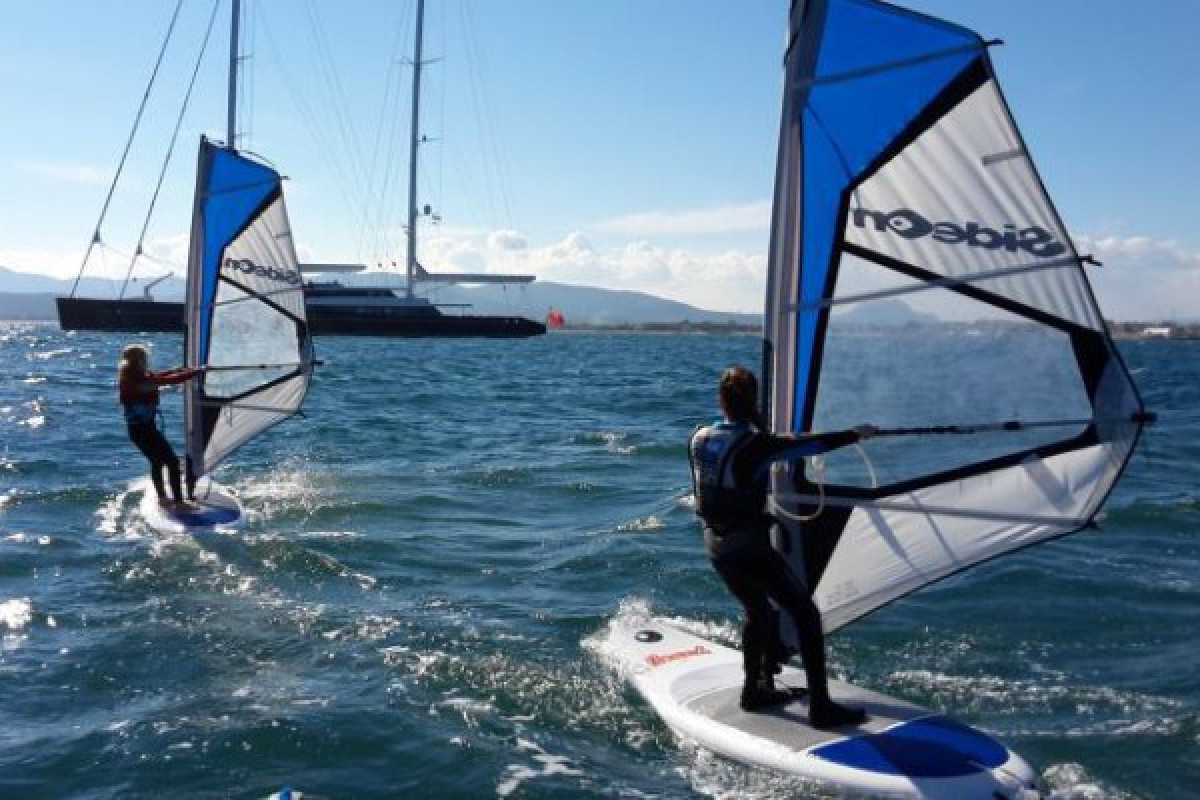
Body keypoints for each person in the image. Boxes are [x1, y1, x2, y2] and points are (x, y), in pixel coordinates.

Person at [688, 365, 876, 728]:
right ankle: (820, 708)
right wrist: (856, 434)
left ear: (721, 400)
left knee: (758, 611)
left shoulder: (700, 436)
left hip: (715, 544)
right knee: (805, 614)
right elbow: (811, 445)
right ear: (754, 400)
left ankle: (754, 690)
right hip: (746, 547)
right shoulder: (756, 445)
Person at [118, 344, 203, 508]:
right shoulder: (132, 381)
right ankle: (179, 502)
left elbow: (159, 376)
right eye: (145, 358)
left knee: (157, 462)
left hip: (140, 430)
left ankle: (163, 498)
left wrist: (177, 369)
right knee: (172, 462)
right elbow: (167, 381)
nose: (147, 361)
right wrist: (197, 371)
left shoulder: (135, 375)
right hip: (144, 431)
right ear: (140, 360)